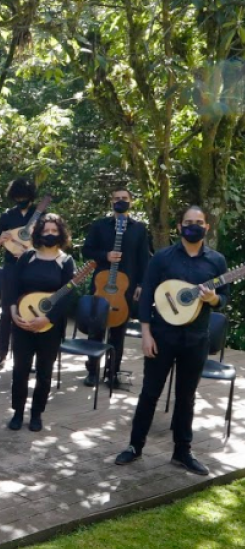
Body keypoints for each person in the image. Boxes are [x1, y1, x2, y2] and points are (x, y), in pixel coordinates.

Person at [115, 206, 228, 476]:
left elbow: (224, 299)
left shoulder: (217, 262)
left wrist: (213, 299)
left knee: (186, 397)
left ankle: (182, 451)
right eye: (188, 222)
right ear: (179, 227)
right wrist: (145, 333)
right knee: (149, 393)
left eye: (199, 223)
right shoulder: (163, 257)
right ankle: (134, 446)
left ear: (207, 227)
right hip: (161, 336)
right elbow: (146, 296)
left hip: (196, 338)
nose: (193, 226)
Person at [5, 214, 76, 432]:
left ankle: (36, 414)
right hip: (22, 323)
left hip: (49, 327)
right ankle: (17, 412)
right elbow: (13, 287)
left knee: (45, 372)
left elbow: (67, 296)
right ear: (38, 233)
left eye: (54, 231)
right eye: (46, 231)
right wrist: (13, 312)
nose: (50, 235)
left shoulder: (66, 261)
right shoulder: (27, 257)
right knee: (20, 370)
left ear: (61, 234)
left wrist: (47, 318)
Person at [81, 188, 151, 387]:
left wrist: (141, 284)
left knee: (118, 333)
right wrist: (105, 255)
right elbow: (87, 250)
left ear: (131, 201)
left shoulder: (138, 229)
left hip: (125, 288)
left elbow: (143, 259)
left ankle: (112, 372)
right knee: (95, 329)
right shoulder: (99, 226)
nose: (120, 201)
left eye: (124, 198)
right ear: (111, 202)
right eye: (116, 198)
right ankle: (92, 371)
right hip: (101, 285)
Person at [0, 178, 39, 369]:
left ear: (31, 196)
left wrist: (33, 248)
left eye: (24, 196)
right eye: (17, 197)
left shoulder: (40, 215)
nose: (20, 200)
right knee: (7, 311)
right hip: (11, 267)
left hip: (34, 268)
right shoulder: (8, 215)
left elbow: (48, 240)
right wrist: (1, 238)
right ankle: (0, 354)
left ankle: (28, 358)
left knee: (30, 310)